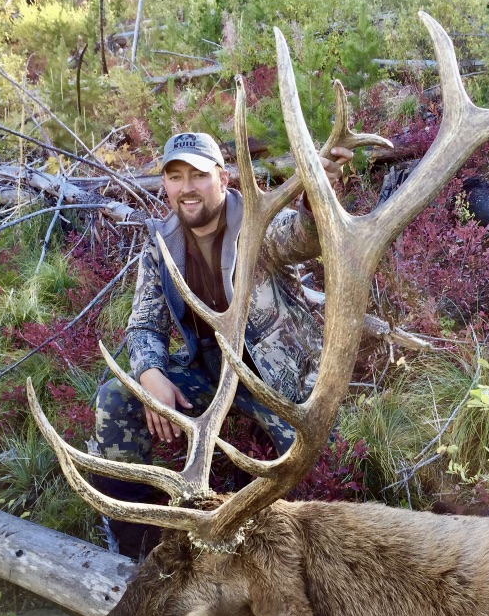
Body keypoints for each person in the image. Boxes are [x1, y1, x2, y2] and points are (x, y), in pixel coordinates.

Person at [91, 131, 352, 559]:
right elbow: (143, 324)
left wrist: (315, 197)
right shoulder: (161, 243)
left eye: (198, 174)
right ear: (165, 185)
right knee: (116, 399)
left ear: (223, 178)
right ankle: (134, 548)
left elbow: (303, 238)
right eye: (175, 176)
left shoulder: (257, 222)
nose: (186, 187)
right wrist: (151, 375)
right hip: (210, 373)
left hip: (280, 379)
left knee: (320, 478)